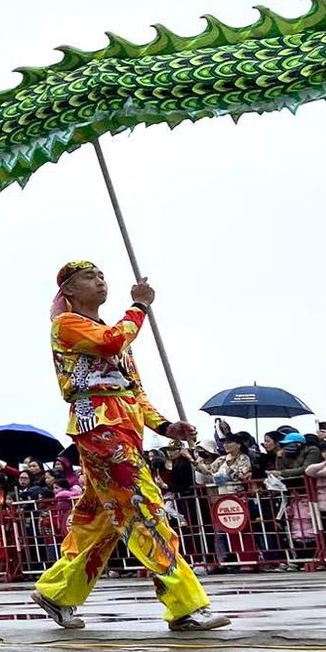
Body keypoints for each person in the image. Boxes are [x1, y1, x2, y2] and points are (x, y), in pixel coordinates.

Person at [32, 263, 229, 632]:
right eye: (91, 277)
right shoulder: (68, 326)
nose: (101, 281)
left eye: (103, 275)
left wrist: (166, 426)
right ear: (70, 291)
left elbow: (133, 391)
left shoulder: (114, 332)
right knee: (144, 510)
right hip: (100, 430)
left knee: (101, 521)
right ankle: (184, 605)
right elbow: (112, 343)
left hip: (126, 428)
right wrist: (139, 307)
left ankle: (57, 591)